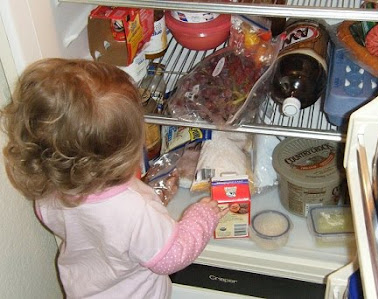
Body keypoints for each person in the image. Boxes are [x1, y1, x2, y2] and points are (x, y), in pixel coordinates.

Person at [1, 58, 228, 298]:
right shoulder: (136, 210)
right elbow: (172, 255)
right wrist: (202, 216)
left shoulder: (51, 186)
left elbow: (101, 228)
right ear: (129, 150)